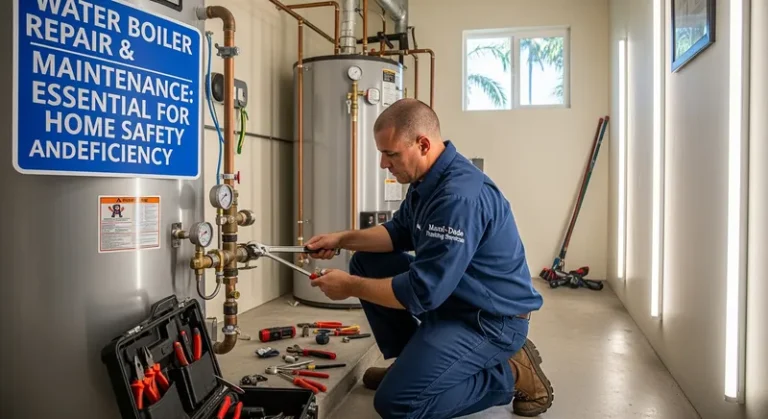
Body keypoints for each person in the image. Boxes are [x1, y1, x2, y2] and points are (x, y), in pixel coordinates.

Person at [304, 98, 554, 418]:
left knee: (397, 404)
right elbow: (398, 232)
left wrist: (350, 287)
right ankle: (410, 364)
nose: (383, 163)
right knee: (366, 261)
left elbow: (422, 292)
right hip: (457, 298)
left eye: (391, 154)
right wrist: (342, 239)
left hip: (489, 320)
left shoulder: (458, 196)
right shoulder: (427, 179)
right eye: (382, 153)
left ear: (423, 144)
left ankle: (509, 374)